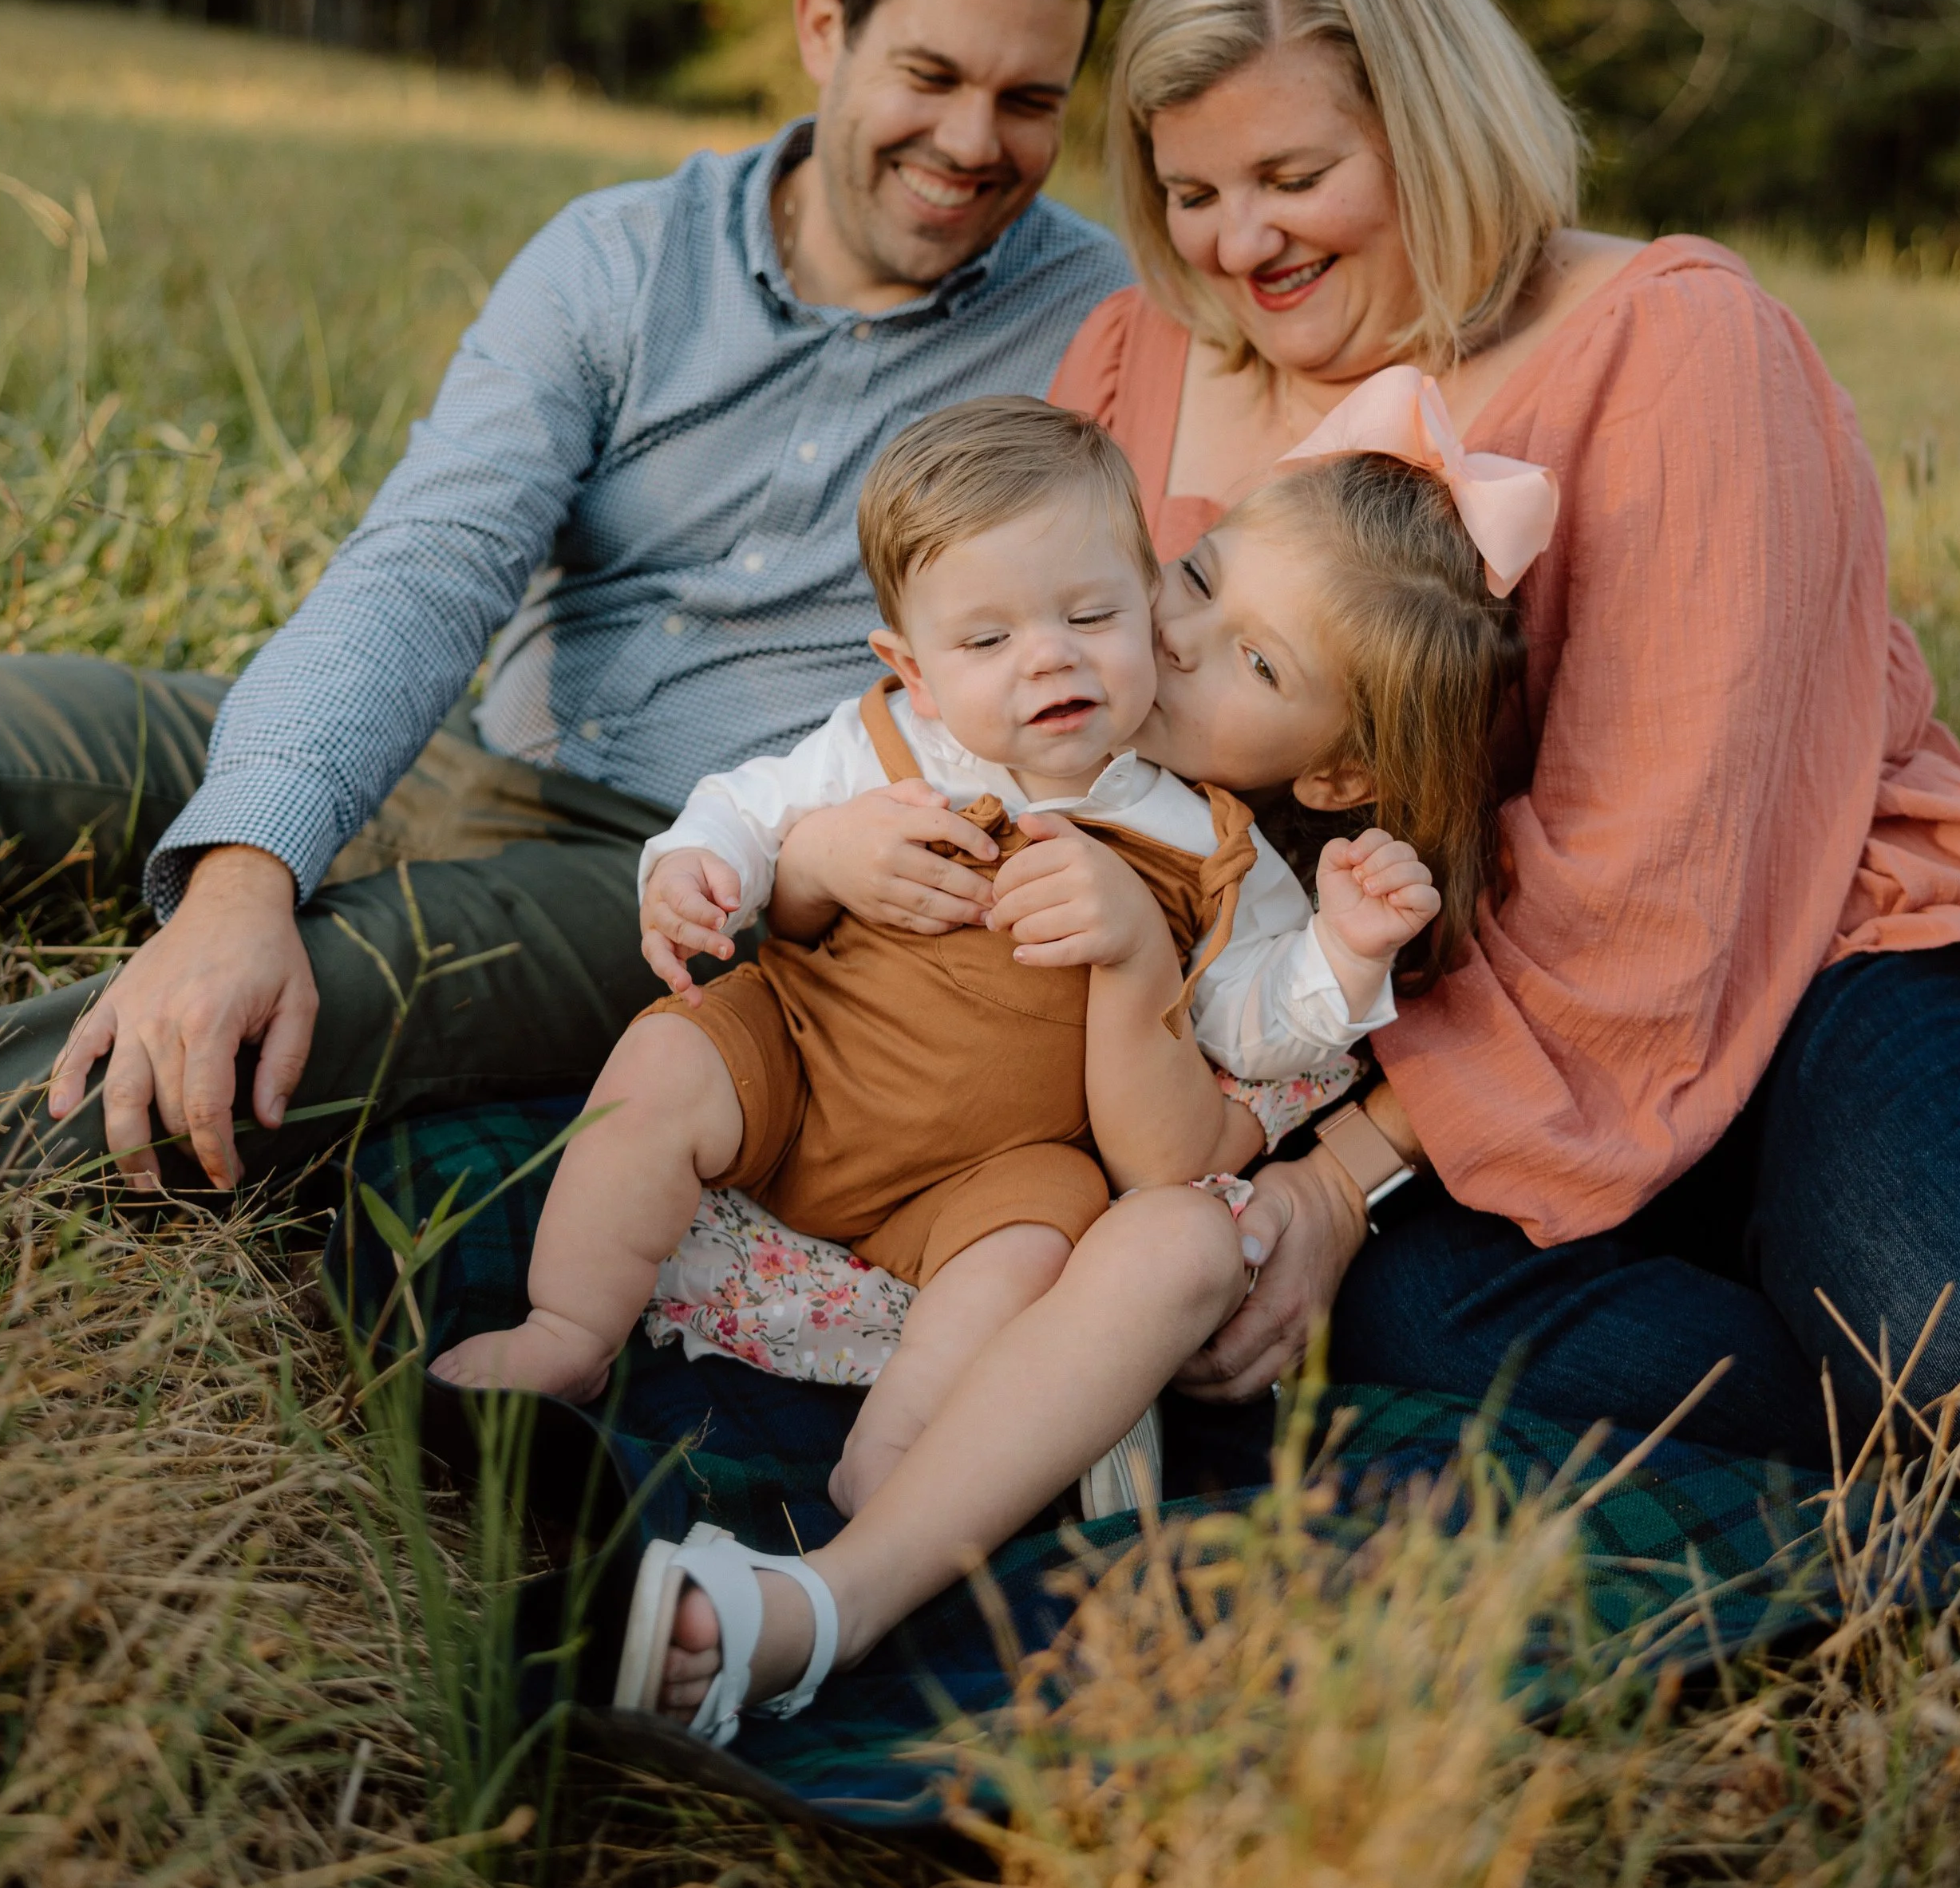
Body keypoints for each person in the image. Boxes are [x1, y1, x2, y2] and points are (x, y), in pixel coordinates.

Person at [0, 0, 1132, 1192]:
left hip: (692, 872)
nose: (970, 141)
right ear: (824, 23)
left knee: (318, 987)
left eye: (1030, 101)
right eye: (930, 73)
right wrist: (240, 876)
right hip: (460, 751)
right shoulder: (619, 258)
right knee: (13, 731)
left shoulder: (1101, 330)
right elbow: (427, 564)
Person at [439, 393, 1520, 1752]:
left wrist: (1339, 954)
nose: (1165, 639)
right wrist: (764, 864)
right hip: (811, 1062)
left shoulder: (1218, 854)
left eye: (1251, 661)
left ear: (1341, 763)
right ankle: (569, 1330)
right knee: (666, 1052)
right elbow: (749, 806)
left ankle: (893, 1482)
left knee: (1030, 1240)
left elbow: (1242, 1054)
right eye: (1191, 580)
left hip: (996, 1183)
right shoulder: (911, 730)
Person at [1053, 0, 1960, 1461]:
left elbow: (1660, 877)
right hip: (1359, 1022)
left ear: (1433, 128)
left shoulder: (1670, 348)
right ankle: (1777, 1386)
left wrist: (1339, 1184)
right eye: (1190, 190)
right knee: (1381, 1320)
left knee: (1929, 1340)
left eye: (1292, 173)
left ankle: (1826, 1330)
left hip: (1804, 951)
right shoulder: (1136, 363)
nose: (1239, 240)